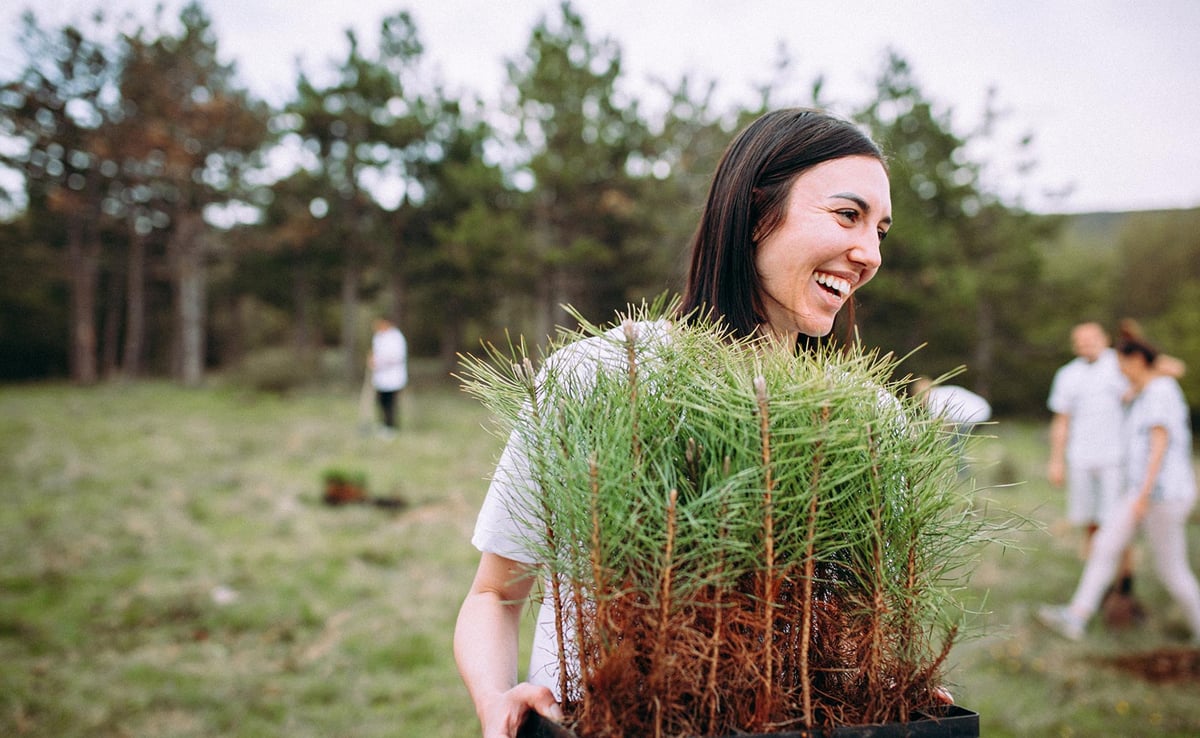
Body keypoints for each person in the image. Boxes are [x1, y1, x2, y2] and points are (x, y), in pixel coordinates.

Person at [454, 108, 893, 738]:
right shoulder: (600, 378)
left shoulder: (863, 421)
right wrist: (495, 700)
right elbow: (495, 595)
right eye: (847, 215)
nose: (869, 253)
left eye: (881, 231)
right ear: (753, 211)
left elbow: (846, 627)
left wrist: (883, 689)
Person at [1037, 328, 1200, 644]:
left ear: (1137, 360)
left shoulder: (1161, 391)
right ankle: (1077, 616)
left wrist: (1142, 495)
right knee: (1105, 544)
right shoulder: (1142, 391)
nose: (1121, 373)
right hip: (1140, 492)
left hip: (1162, 496)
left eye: (1124, 366)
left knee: (1172, 570)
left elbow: (1159, 444)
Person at [1045, 322, 1141, 613]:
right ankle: (1096, 583)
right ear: (1075, 345)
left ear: (1105, 340)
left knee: (1116, 522)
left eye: (1092, 339)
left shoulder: (1120, 364)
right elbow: (1061, 420)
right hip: (1081, 458)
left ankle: (1124, 582)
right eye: (1081, 341)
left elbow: (1147, 381)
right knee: (1090, 520)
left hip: (1115, 458)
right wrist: (1056, 459)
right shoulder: (1067, 374)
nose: (1087, 344)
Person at [912, 376, 992, 473]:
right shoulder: (943, 392)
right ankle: (962, 470)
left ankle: (962, 472)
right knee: (956, 443)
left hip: (972, 416)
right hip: (980, 410)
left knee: (955, 444)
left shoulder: (934, 398)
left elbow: (938, 423)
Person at [368, 317, 407, 436]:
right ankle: (383, 424)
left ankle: (391, 426)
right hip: (380, 377)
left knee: (391, 403)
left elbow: (396, 357)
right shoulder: (378, 337)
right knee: (381, 401)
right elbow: (376, 353)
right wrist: (372, 360)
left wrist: (379, 361)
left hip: (393, 377)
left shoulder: (396, 337)